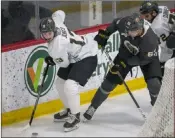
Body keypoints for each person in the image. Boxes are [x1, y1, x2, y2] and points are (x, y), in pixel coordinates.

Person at [83, 13, 162, 121]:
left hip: (147, 60)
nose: (129, 33)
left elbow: (143, 60)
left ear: (140, 29)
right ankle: (93, 107)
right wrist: (106, 34)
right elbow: (115, 23)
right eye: (128, 30)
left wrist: (126, 63)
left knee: (154, 83)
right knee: (109, 82)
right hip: (125, 55)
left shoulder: (150, 40)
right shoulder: (125, 22)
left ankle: (158, 110)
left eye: (132, 31)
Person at [39, 10, 103, 132]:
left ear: (53, 30)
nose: (47, 36)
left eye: (49, 33)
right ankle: (69, 109)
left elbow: (65, 63)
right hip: (76, 52)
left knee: (70, 85)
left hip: (87, 55)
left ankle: (75, 117)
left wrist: (53, 60)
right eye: (44, 34)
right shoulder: (56, 21)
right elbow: (60, 13)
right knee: (60, 83)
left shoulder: (56, 46)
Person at [139, 1, 175, 76]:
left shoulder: (157, 27)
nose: (145, 19)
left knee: (162, 67)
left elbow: (168, 48)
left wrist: (163, 63)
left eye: (147, 16)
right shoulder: (161, 8)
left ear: (154, 13)